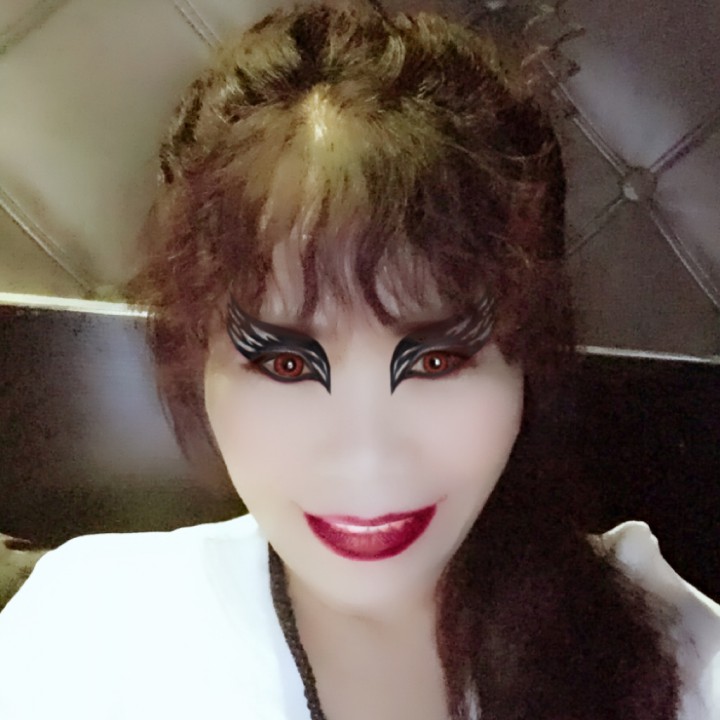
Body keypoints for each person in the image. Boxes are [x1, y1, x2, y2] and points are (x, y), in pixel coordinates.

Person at [0, 2, 718, 718]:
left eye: (437, 360)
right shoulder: (88, 645)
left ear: (525, 356)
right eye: (286, 364)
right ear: (197, 356)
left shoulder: (679, 661)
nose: (366, 458)